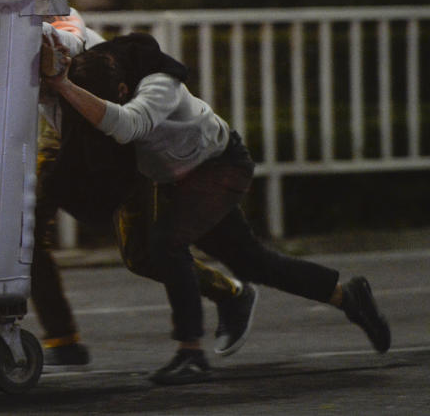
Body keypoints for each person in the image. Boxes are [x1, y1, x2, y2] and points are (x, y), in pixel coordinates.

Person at [43, 32, 391, 384]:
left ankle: (191, 353)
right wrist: (56, 77)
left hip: (218, 167)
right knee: (251, 262)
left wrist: (65, 88)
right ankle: (347, 296)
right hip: (176, 180)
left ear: (120, 90)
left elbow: (126, 126)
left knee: (166, 243)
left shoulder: (159, 85)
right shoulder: (99, 70)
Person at [33, 16, 257, 368]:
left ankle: (228, 294)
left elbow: (69, 34)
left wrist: (54, 49)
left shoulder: (42, 13)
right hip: (62, 127)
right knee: (27, 231)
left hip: (103, 124)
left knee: (142, 253)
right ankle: (61, 338)